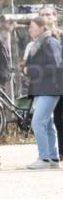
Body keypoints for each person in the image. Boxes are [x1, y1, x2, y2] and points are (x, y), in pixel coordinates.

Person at [23, 16, 62, 169]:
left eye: (32, 27)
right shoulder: (38, 44)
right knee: (48, 123)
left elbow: (56, 66)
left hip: (51, 89)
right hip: (42, 88)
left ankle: (44, 159)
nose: (29, 30)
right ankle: (53, 158)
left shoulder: (51, 42)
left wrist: (30, 70)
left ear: (41, 27)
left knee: (37, 122)